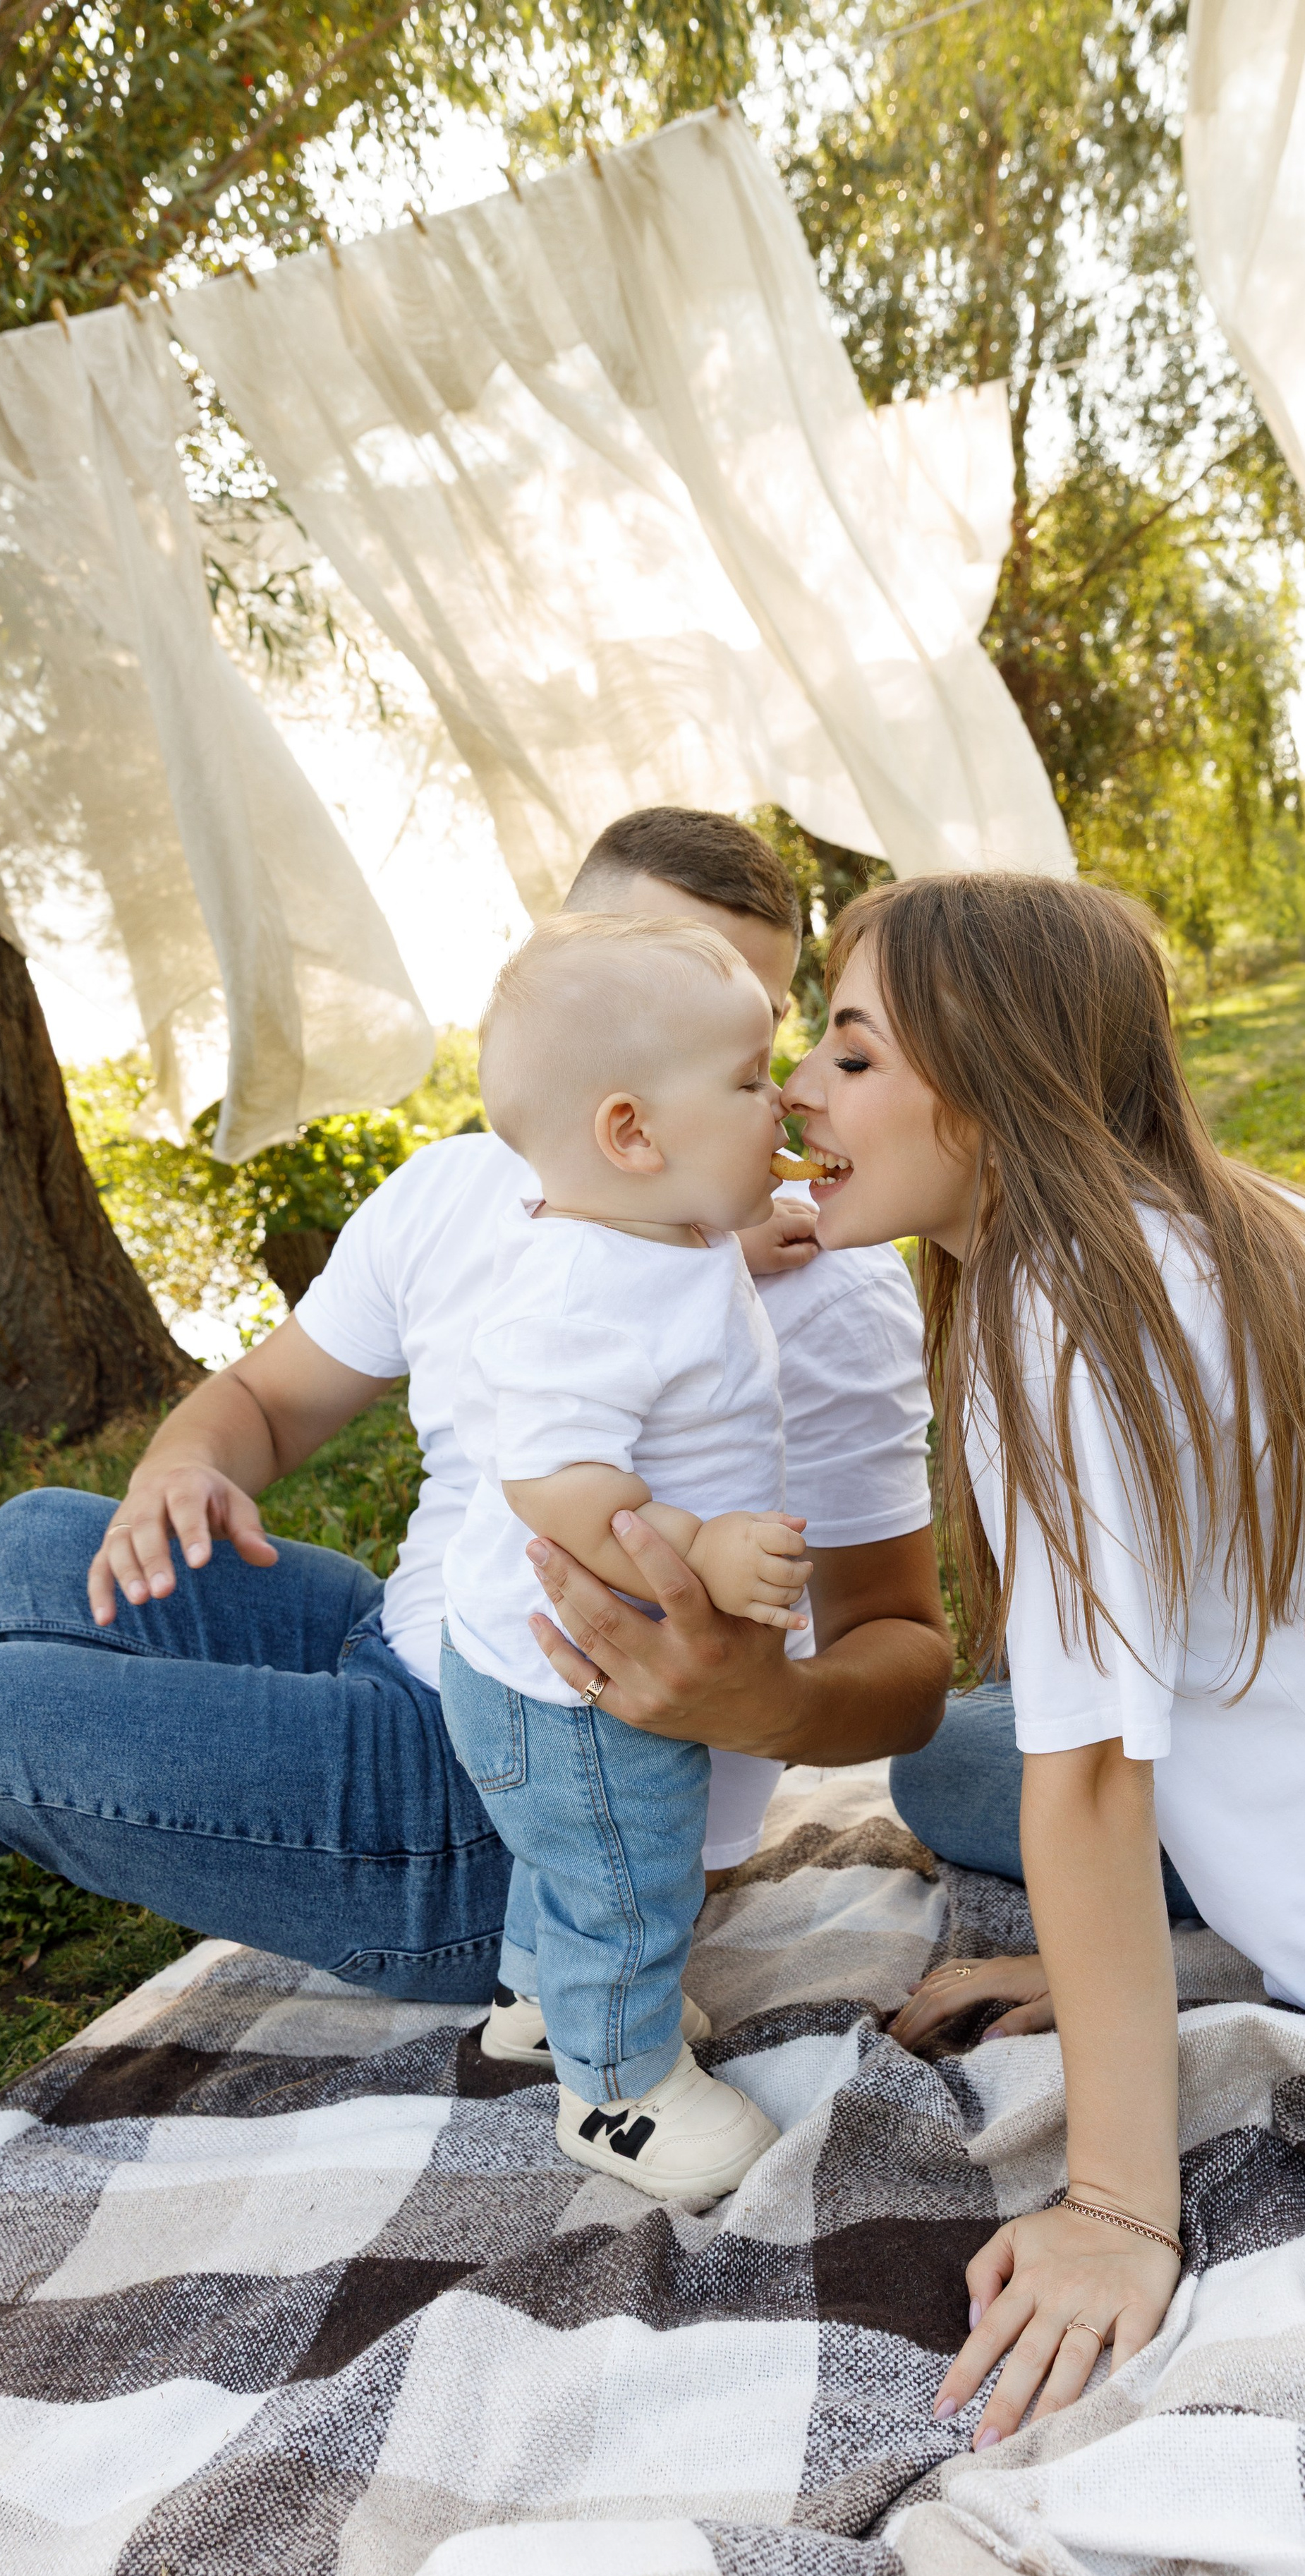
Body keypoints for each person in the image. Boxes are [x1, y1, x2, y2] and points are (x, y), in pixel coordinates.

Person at [0, 810, 947, 1997]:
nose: (757, 1095)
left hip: (528, 1825)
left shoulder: (826, 1282)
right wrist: (183, 1468)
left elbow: (905, 1649)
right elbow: (265, 1400)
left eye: (750, 1041)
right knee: (40, 1539)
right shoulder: (463, 1189)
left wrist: (770, 1703)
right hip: (418, 1654)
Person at [782, 868, 1305, 2444]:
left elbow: (1091, 1775)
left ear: (996, 1084)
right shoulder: (1199, 1224)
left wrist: (1114, 2204)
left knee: (989, 1767)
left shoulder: (1064, 1325)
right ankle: (1146, 1946)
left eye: (850, 1052)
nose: (796, 1090)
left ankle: (1159, 1958)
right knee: (967, 1756)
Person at [442, 914, 804, 2196]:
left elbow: (665, 1326)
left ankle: (540, 2004)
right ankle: (616, 2091)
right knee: (629, 1867)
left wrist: (746, 1243)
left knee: (573, 1858)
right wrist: (697, 1544)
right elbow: (553, 1479)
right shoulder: (577, 1293)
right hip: (568, 1684)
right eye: (753, 1080)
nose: (784, 1098)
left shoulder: (657, 1235)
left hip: (557, 1668)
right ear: (633, 1134)